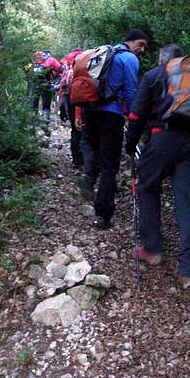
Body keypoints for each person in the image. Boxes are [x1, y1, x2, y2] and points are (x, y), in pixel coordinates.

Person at [124, 44, 190, 291]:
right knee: (187, 200)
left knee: (146, 187)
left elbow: (136, 116)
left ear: (163, 60)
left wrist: (130, 146)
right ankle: (188, 271)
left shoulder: (155, 75)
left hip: (164, 138)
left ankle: (153, 249)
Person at [78, 29, 149, 229]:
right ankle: (103, 215)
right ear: (130, 41)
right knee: (110, 166)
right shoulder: (129, 59)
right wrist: (135, 117)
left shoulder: (102, 53)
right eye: (140, 44)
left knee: (95, 151)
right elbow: (131, 91)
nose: (141, 50)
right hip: (111, 115)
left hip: (90, 111)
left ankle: (89, 176)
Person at [58, 48, 83, 167]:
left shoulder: (67, 70)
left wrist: (62, 110)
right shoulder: (83, 64)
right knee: (83, 128)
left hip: (68, 98)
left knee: (74, 128)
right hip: (81, 98)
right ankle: (82, 158)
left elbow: (62, 89)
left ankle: (75, 159)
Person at [28, 50, 62, 133]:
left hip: (33, 84)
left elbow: (27, 70)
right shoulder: (51, 59)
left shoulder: (33, 60)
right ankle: (45, 123)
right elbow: (60, 69)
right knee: (46, 105)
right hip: (46, 84)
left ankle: (31, 127)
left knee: (33, 106)